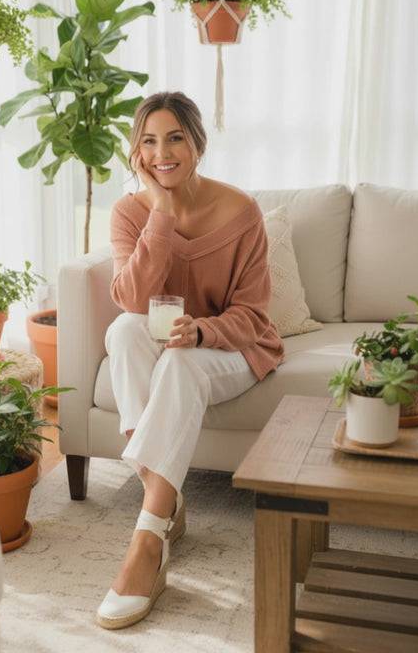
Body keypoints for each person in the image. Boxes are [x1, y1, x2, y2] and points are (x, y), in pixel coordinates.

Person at [97, 91, 284, 630]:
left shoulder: (241, 212)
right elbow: (133, 300)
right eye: (149, 141)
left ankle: (147, 543)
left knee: (179, 363)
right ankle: (167, 500)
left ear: (198, 144)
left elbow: (253, 314)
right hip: (170, 340)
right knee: (124, 331)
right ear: (137, 152)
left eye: (175, 138)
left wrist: (202, 331)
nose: (163, 153)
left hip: (235, 347)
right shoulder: (130, 212)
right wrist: (159, 212)